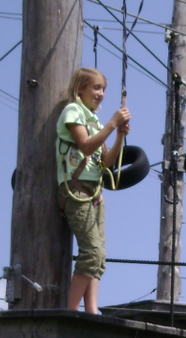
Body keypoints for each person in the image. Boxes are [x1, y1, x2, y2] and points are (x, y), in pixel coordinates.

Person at [57, 67, 131, 314]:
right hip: (76, 192)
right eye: (96, 88)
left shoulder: (95, 121)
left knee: (98, 257)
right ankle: (71, 310)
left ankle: (91, 309)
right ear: (80, 89)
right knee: (92, 252)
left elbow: (105, 162)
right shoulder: (74, 111)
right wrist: (112, 123)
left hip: (94, 194)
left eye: (103, 89)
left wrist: (119, 135)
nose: (100, 93)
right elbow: (86, 146)